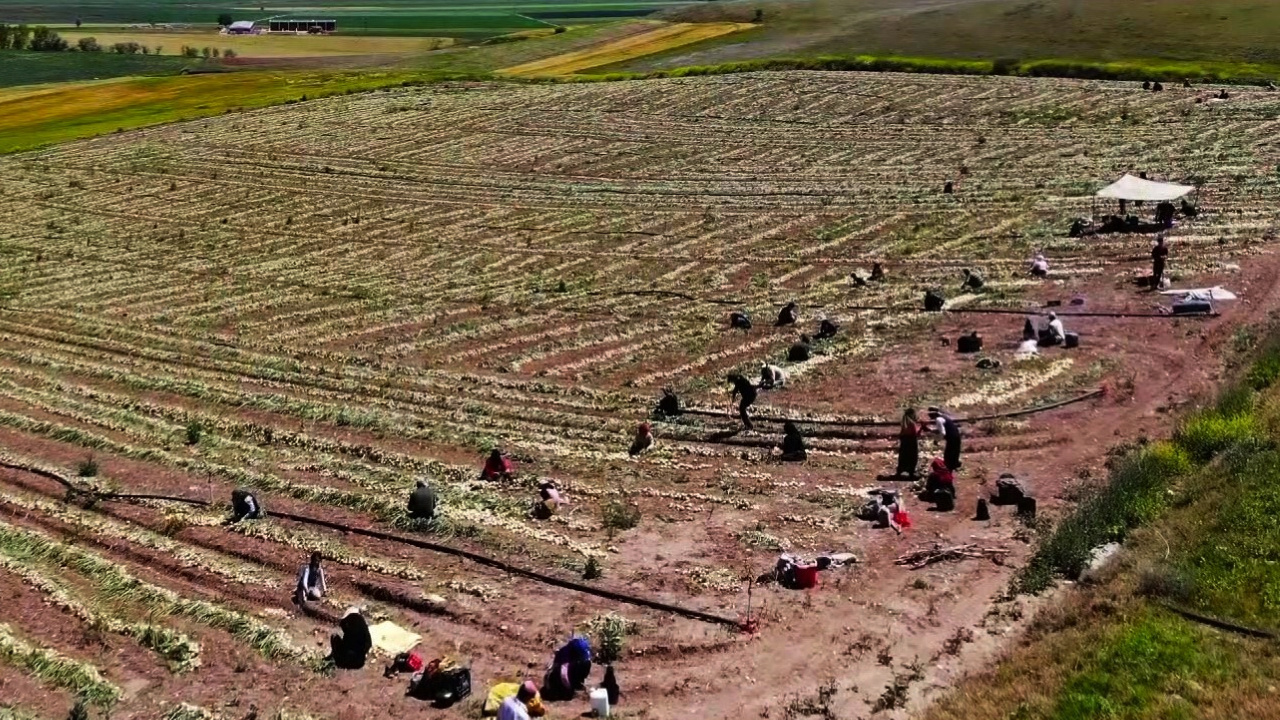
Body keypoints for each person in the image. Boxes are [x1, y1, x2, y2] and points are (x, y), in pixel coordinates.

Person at [542, 637, 592, 702]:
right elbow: (563, 675)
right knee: (560, 682)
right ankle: (561, 691)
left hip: (571, 667)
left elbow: (587, 662)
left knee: (586, 664)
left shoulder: (583, 652)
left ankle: (576, 682)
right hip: (555, 676)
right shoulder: (564, 654)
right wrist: (569, 690)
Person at [896, 408, 922, 479]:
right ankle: (911, 472)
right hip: (911, 441)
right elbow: (915, 432)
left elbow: (902, 433)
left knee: (903, 457)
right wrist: (920, 427)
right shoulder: (912, 423)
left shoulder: (904, 422)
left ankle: (900, 471)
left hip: (904, 441)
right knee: (912, 457)